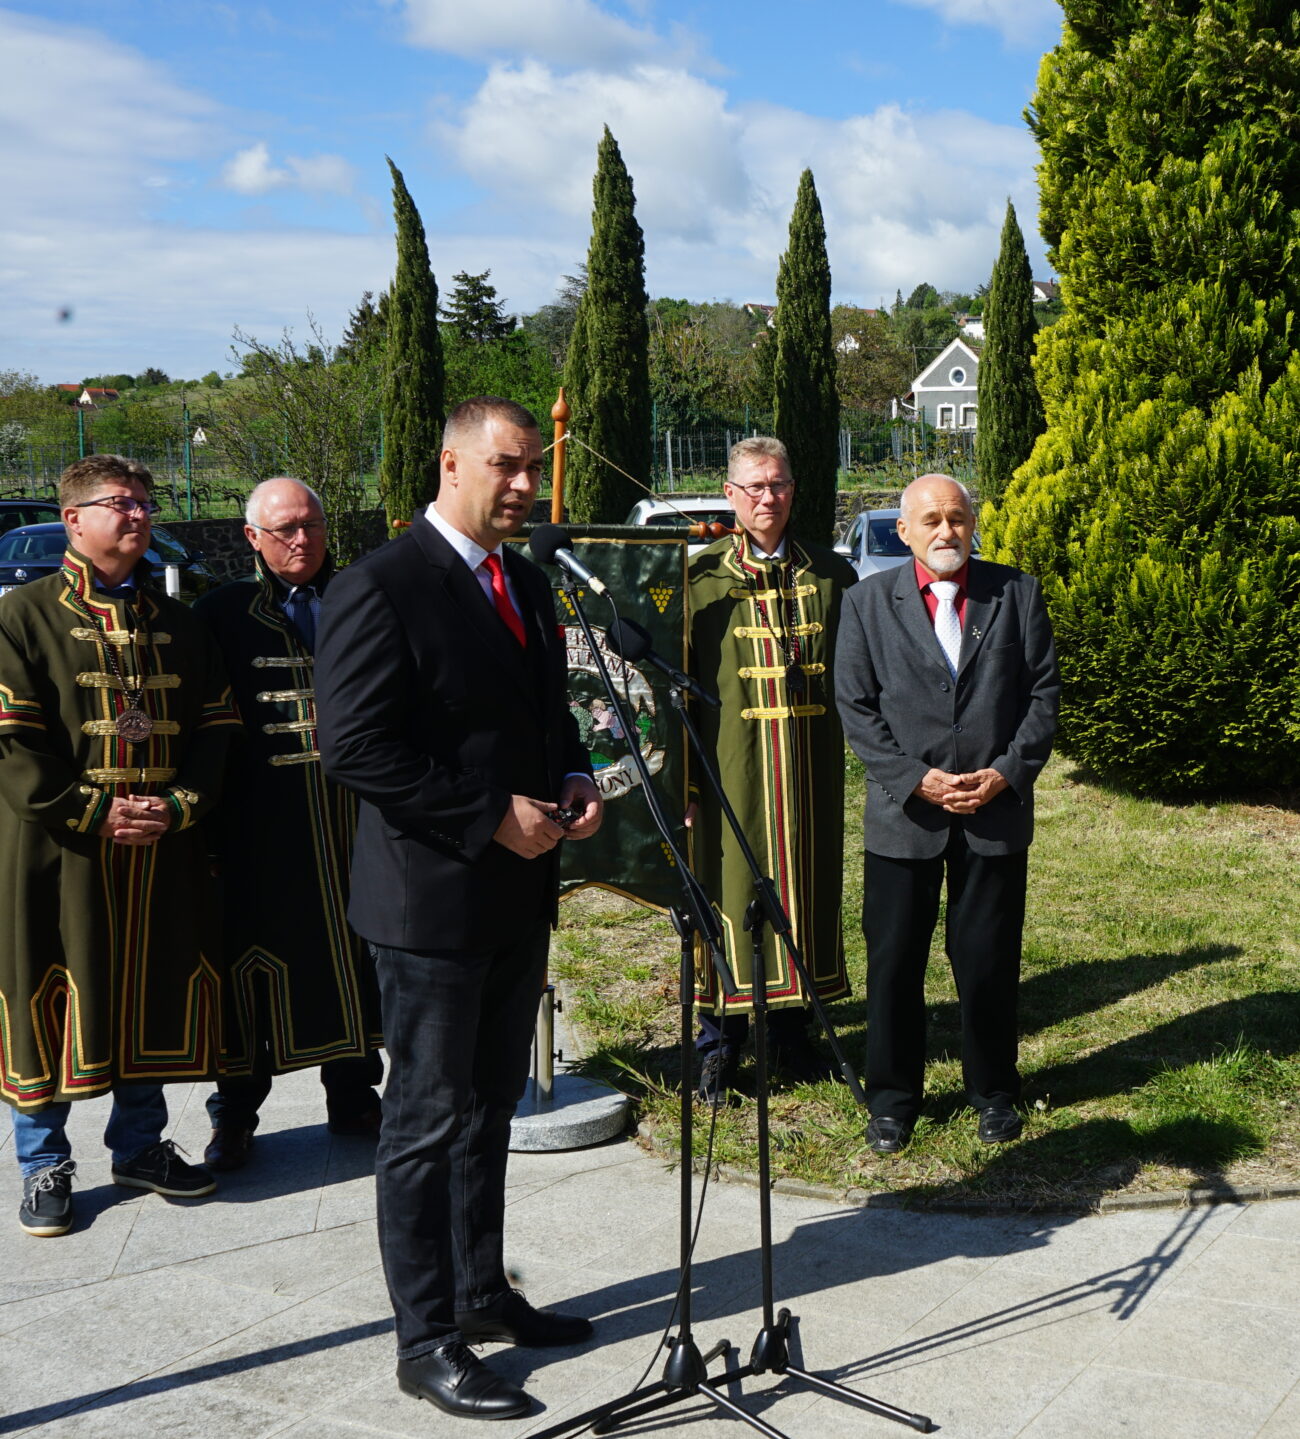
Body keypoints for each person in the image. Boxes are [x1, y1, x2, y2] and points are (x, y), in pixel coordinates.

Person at [315, 397, 603, 1422]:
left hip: (517, 894)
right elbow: (354, 746)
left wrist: (573, 774)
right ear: (450, 464)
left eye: (531, 467)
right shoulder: (381, 584)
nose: (523, 484)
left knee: (491, 1106)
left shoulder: (524, 580)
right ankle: (426, 1338)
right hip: (429, 905)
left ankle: (483, 1291)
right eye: (505, 465)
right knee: (425, 1121)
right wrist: (489, 817)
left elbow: (545, 714)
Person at [0, 454, 240, 1235]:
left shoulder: (179, 620)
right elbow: (13, 746)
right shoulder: (20, 615)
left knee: (150, 983)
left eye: (143, 502)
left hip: (161, 848)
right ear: (73, 519)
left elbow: (216, 729)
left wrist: (179, 805)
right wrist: (92, 811)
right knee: (47, 992)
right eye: (119, 503)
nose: (138, 514)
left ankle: (139, 1146)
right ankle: (43, 1162)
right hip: (56, 851)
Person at [834, 473, 1059, 1155]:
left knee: (988, 960)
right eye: (929, 520)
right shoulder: (866, 602)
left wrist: (1006, 772)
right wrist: (916, 779)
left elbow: (1042, 696)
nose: (945, 531)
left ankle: (994, 1092)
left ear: (973, 525)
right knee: (894, 962)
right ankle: (892, 1101)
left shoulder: (1016, 594)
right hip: (905, 817)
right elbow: (856, 707)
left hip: (994, 814)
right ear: (904, 531)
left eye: (956, 518)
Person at [195, 478, 383, 1171]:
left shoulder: (365, 595)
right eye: (284, 530)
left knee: (357, 954)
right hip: (260, 823)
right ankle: (236, 1113)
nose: (302, 540)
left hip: (358, 814)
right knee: (253, 969)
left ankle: (355, 1096)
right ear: (253, 537)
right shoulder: (219, 612)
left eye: (312, 525)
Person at [686, 437, 856, 1101]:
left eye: (778, 484)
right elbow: (673, 693)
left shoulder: (831, 575)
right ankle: (719, 1044)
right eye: (754, 486)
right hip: (729, 771)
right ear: (729, 494)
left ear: (793, 490)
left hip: (810, 771)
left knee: (804, 894)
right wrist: (683, 785)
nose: (767, 498)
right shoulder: (699, 580)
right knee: (727, 896)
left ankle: (791, 1033)